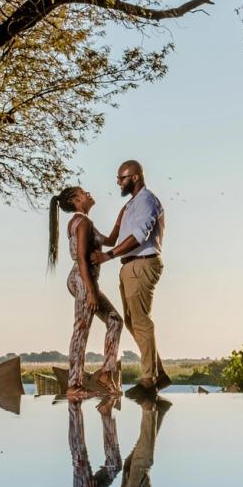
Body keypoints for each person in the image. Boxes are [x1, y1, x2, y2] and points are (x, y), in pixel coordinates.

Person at [91, 160, 169, 391]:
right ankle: (159, 374)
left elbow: (139, 236)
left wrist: (109, 255)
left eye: (121, 178)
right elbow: (114, 237)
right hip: (129, 265)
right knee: (133, 322)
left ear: (135, 177)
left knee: (141, 321)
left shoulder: (146, 201)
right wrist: (86, 228)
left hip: (142, 264)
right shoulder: (130, 206)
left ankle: (148, 380)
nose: (118, 182)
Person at [48, 185, 124, 394]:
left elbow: (109, 241)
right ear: (74, 200)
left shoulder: (85, 222)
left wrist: (120, 217)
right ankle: (74, 385)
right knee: (81, 330)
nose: (88, 193)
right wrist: (91, 292)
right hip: (83, 280)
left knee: (115, 321)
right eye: (83, 192)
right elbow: (81, 258)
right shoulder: (82, 222)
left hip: (86, 280)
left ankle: (106, 373)